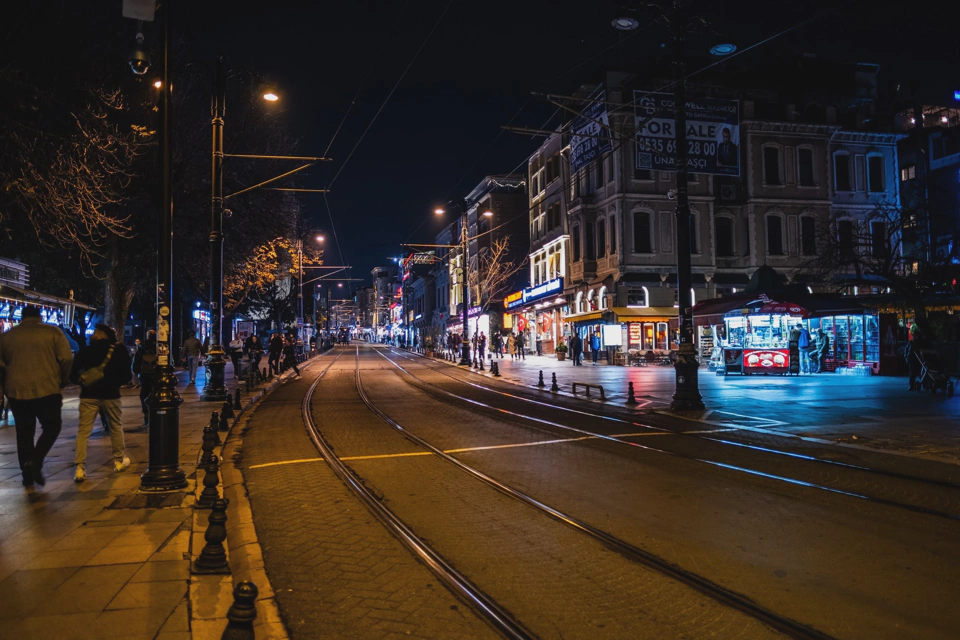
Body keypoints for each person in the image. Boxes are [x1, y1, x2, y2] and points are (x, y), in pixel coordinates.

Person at [0, 306, 73, 487]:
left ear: (22, 317)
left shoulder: (7, 336)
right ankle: (36, 460)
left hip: (17, 391)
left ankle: (27, 472)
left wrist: (5, 386)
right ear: (39, 317)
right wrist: (62, 379)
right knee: (52, 426)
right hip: (47, 388)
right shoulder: (53, 333)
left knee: (24, 432)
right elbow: (66, 358)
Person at [69, 324, 132, 482]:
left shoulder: (86, 350)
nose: (92, 333)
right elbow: (127, 375)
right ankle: (119, 460)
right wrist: (114, 383)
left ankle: (80, 467)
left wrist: (83, 381)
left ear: (102, 334)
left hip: (89, 395)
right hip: (111, 394)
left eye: (96, 331)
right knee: (115, 426)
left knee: (83, 431)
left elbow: (72, 374)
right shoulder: (118, 350)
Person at [905, 326, 928, 391]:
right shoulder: (912, 343)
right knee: (914, 373)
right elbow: (906, 350)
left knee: (920, 372)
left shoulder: (917, 343)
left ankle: (924, 385)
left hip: (917, 359)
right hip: (913, 359)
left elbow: (907, 350)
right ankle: (913, 385)